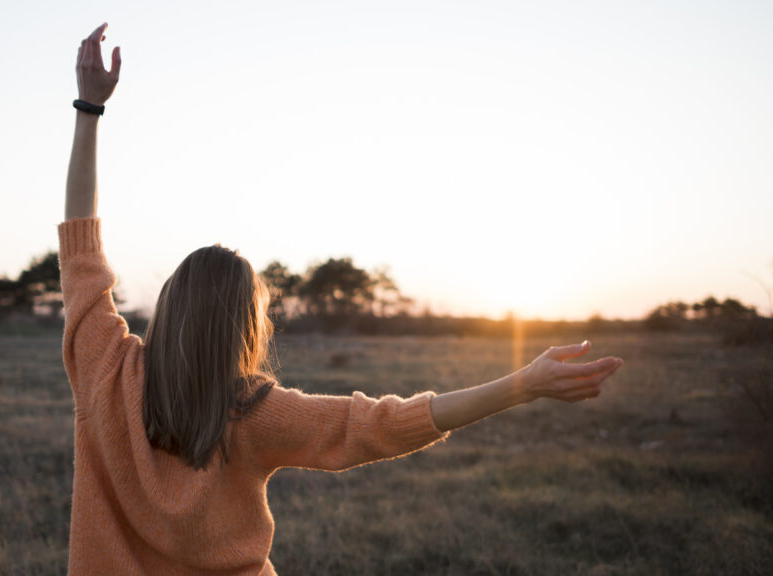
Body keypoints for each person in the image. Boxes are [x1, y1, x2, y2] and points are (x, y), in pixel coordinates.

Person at [59, 23, 625, 576]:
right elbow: (380, 424)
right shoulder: (253, 412)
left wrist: (89, 108)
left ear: (171, 305)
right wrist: (523, 383)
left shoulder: (106, 367)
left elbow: (80, 240)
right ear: (243, 329)